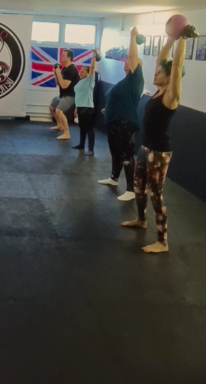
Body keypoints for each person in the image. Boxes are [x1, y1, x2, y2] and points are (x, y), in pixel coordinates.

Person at [122, 27, 194, 253]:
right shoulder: (156, 90)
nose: (155, 74)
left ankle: (162, 242)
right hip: (145, 148)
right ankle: (141, 219)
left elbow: (176, 65)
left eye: (160, 73)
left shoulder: (171, 96)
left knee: (156, 195)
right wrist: (171, 38)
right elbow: (162, 59)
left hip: (159, 153)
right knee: (138, 188)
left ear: (169, 76)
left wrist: (181, 40)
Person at [98, 28, 144, 201]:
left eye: (130, 62)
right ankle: (114, 178)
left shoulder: (136, 79)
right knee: (116, 153)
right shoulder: (123, 82)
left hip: (126, 123)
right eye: (126, 61)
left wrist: (132, 36)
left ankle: (131, 190)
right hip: (114, 121)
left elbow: (132, 57)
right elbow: (116, 100)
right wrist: (108, 108)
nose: (127, 62)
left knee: (126, 155)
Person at [49, 50, 80, 140]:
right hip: (63, 95)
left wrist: (58, 73)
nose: (61, 57)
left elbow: (64, 85)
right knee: (52, 107)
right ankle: (59, 125)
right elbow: (58, 83)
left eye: (64, 55)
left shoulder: (71, 69)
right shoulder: (65, 69)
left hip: (71, 96)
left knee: (59, 111)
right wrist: (56, 74)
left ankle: (67, 133)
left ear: (69, 58)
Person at [73, 51, 98, 156]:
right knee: (82, 128)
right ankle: (81, 144)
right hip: (80, 107)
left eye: (83, 71)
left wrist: (94, 57)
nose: (81, 72)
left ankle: (91, 149)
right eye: (80, 71)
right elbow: (77, 96)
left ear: (88, 73)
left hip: (87, 108)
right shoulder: (79, 82)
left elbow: (92, 68)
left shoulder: (89, 80)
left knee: (89, 129)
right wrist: (75, 109)